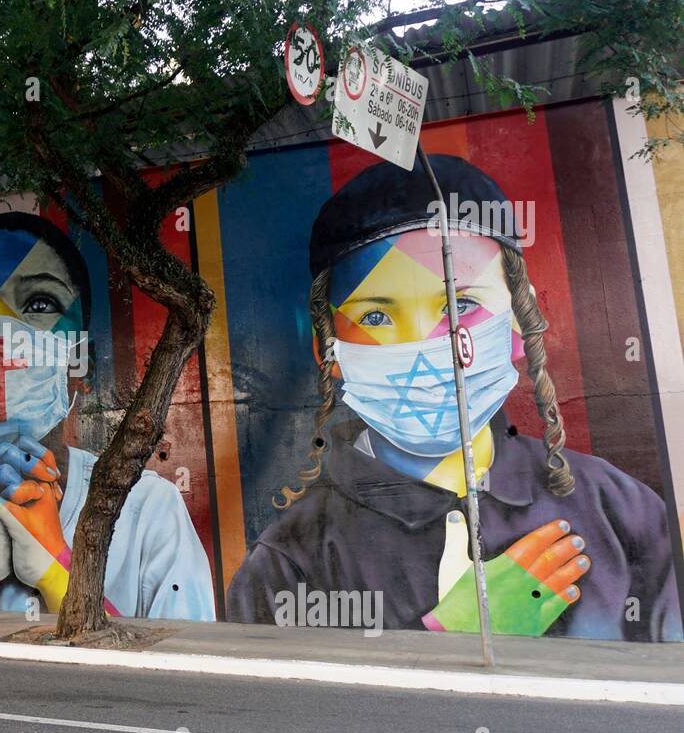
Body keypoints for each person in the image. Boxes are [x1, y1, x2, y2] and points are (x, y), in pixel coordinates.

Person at [226, 155, 682, 641]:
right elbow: (294, 712)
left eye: (461, 305)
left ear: (516, 321)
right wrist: (450, 634)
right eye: (376, 318)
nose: (424, 350)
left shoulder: (620, 509)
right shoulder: (288, 563)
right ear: (328, 348)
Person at [0, 211, 216, 620]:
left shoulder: (148, 512)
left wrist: (58, 569)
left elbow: (180, 674)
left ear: (83, 365)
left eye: (40, 303)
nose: (0, 337)